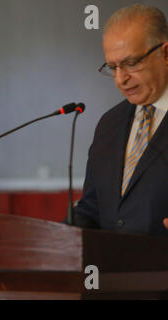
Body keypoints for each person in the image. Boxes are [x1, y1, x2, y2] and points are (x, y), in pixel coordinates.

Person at [72, 4, 168, 236]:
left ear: (165, 54)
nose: (120, 79)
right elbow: (92, 208)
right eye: (113, 67)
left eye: (132, 63)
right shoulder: (109, 124)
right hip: (115, 270)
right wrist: (50, 236)